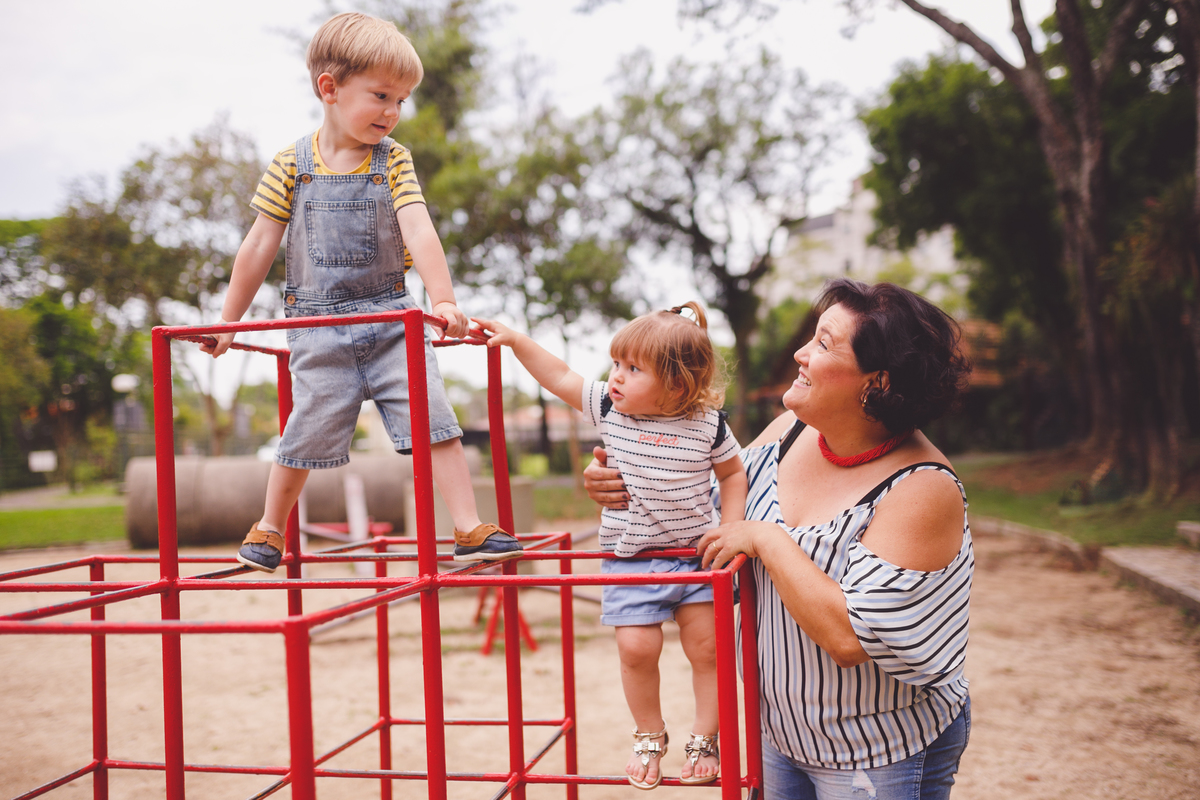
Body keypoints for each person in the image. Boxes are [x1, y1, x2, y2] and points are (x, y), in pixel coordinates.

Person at [585, 280, 974, 799]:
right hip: (779, 736)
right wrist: (613, 484)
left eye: (824, 343)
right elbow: (692, 500)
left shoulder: (922, 488)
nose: (800, 353)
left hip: (877, 749)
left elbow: (851, 638)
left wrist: (768, 539)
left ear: (875, 383)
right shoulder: (789, 431)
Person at [202, 12, 521, 570]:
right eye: (380, 95)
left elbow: (419, 227)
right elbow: (257, 247)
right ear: (330, 88)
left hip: (393, 321)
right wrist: (229, 324)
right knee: (304, 428)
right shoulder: (289, 164)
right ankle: (270, 527)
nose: (393, 113)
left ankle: (468, 528)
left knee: (436, 420)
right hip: (317, 326)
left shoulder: (392, 160)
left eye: (401, 101)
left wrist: (442, 300)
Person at [472, 303, 748, 789]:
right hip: (633, 558)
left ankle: (706, 736)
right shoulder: (608, 408)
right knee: (636, 648)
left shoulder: (708, 424)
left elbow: (732, 473)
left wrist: (731, 527)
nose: (615, 377)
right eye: (615, 364)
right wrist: (516, 341)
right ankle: (649, 734)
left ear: (677, 386)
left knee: (709, 650)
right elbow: (559, 375)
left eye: (632, 369)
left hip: (695, 558)